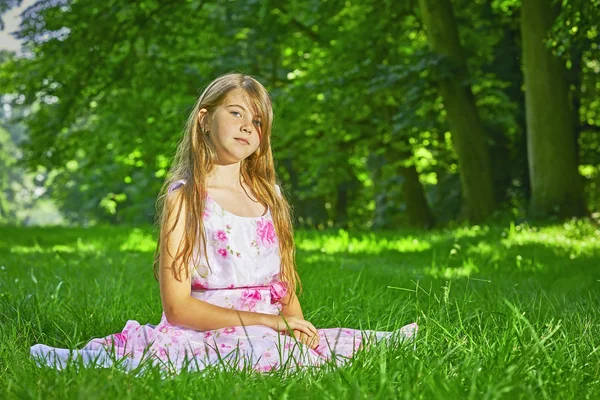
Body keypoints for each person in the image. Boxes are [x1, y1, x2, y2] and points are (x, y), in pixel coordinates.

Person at [30, 72, 417, 376]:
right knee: (274, 360)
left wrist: (296, 325)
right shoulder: (186, 199)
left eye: (258, 120)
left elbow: (282, 286)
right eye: (236, 112)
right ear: (204, 119)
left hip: (271, 325)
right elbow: (179, 307)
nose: (249, 125)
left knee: (355, 348)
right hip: (207, 329)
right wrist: (270, 323)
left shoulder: (271, 199)